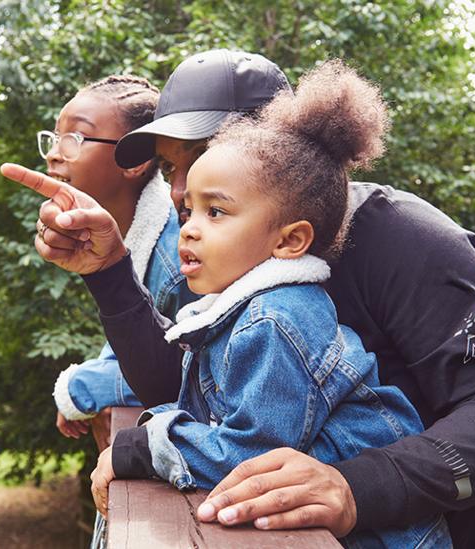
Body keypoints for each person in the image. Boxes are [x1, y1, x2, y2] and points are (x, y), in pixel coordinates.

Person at [1, 49, 475, 548]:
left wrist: (356, 486)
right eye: (172, 169)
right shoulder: (244, 260)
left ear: (278, 144)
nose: (179, 192)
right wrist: (108, 272)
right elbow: (183, 388)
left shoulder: (406, 237)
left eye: (201, 154)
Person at [103, 59, 450, 547]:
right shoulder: (242, 301)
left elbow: (253, 450)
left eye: (216, 209)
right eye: (178, 181)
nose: (186, 217)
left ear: (290, 240)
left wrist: (145, 446)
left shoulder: (275, 318)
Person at [36, 75, 197, 441]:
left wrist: (82, 387)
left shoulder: (179, 256)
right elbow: (135, 331)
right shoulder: (130, 237)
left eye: (75, 138)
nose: (54, 153)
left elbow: (192, 368)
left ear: (135, 161)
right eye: (55, 137)